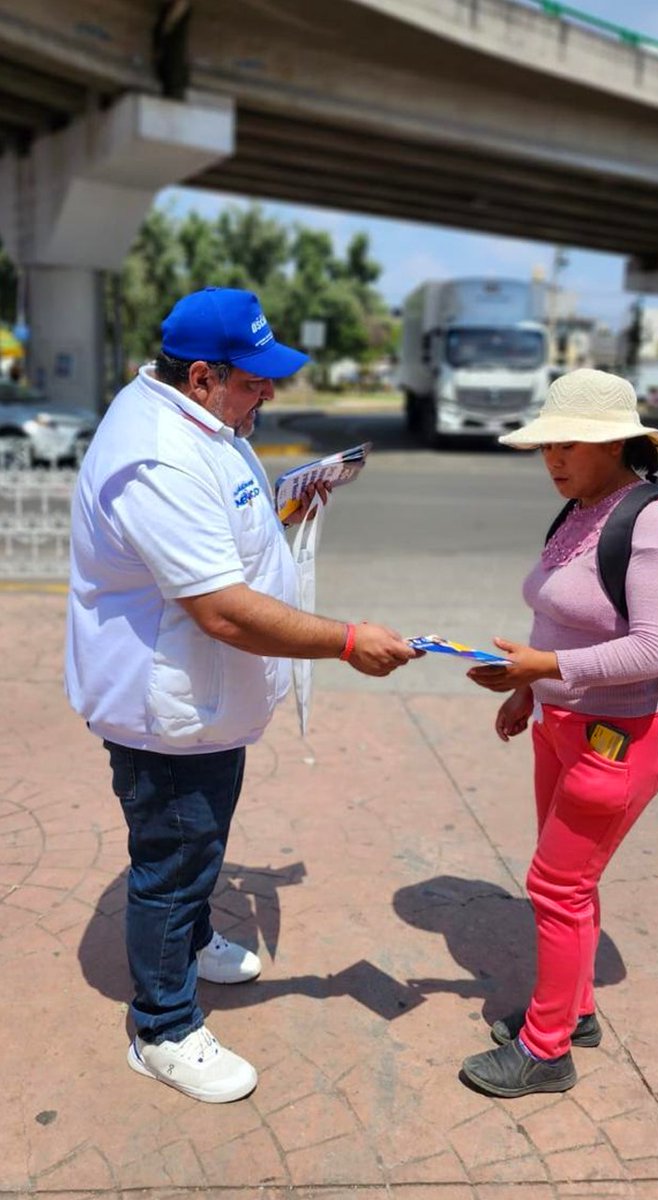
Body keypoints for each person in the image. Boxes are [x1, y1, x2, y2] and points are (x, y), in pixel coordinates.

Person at [65, 286, 416, 1105]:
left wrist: (287, 499)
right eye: (254, 380)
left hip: (206, 705)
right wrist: (345, 640)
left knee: (200, 846)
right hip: (168, 714)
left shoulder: (201, 421)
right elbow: (219, 607)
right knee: (174, 860)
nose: (269, 392)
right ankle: (163, 1028)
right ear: (199, 377)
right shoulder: (156, 452)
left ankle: (186, 941)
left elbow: (218, 520)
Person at [460, 368, 658, 1098]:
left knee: (555, 886)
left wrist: (546, 665)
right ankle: (573, 1010)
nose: (553, 459)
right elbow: (554, 612)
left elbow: (657, 650)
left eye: (570, 444)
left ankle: (546, 1051)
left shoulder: (655, 522)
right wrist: (528, 689)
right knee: (571, 883)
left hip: (618, 738)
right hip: (559, 726)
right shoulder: (579, 509)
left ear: (618, 443)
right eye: (546, 446)